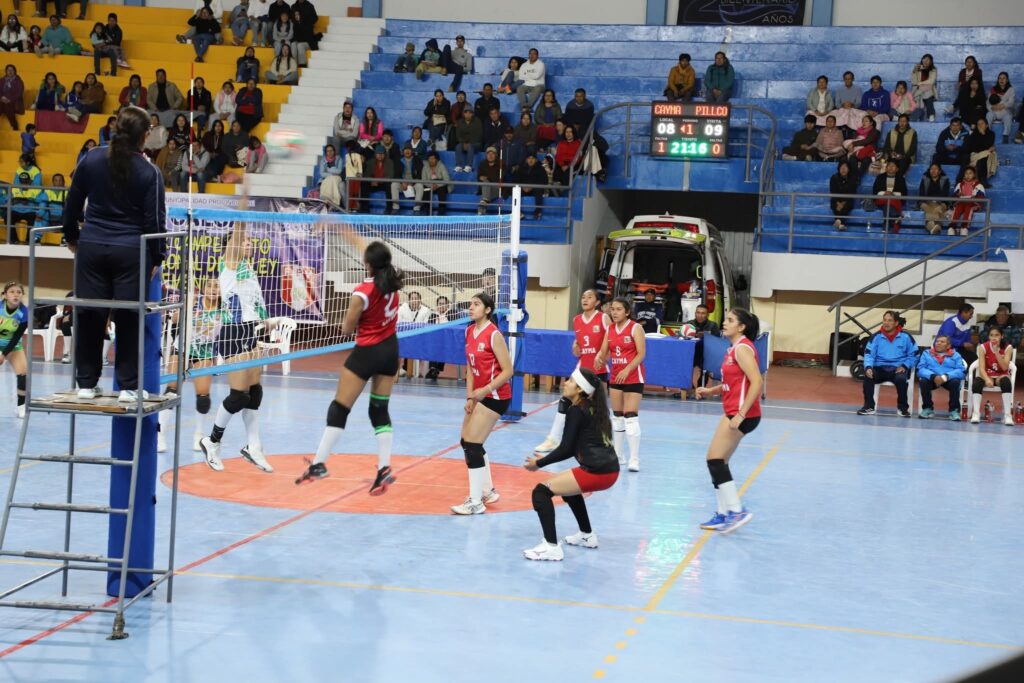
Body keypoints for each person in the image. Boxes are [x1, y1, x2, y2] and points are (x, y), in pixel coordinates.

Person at [60, 106, 166, 404]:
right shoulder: (150, 172)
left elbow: (71, 204)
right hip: (131, 253)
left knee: (89, 313)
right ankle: (129, 388)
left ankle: (85, 383)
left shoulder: (91, 158)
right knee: (129, 317)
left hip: (91, 248)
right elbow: (154, 223)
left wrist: (71, 238)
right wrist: (156, 259)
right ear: (144, 135)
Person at [296, 232, 404, 493]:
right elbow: (367, 249)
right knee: (378, 410)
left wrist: (353, 310)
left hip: (367, 352)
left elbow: (346, 328)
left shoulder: (362, 292)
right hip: (390, 350)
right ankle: (384, 467)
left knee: (339, 408)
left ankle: (319, 463)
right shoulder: (393, 281)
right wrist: (341, 228)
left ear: (367, 263)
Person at [198, 188, 274, 473]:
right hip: (232, 332)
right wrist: (244, 198)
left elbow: (254, 304)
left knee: (255, 391)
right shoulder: (230, 265)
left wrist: (267, 322)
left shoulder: (249, 270)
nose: (249, 244)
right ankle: (212, 441)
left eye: (250, 242)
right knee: (239, 394)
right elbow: (239, 227)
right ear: (234, 243)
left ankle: (253, 446)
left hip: (251, 331)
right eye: (245, 241)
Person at [522, 367, 618, 561]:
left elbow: (566, 448)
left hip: (597, 472)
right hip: (609, 470)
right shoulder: (593, 407)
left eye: (571, 381)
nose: (565, 383)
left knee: (540, 492)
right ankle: (587, 535)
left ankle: (551, 547)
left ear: (581, 389)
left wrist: (538, 463)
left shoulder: (577, 410)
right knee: (569, 489)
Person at [693, 308, 762, 534]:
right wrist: (711, 390)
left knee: (715, 460)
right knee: (717, 461)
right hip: (732, 410)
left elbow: (756, 382)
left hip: (743, 415)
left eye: (730, 320)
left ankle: (736, 510)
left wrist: (741, 413)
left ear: (741, 327)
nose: (725, 323)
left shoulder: (742, 348)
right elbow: (732, 384)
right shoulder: (733, 348)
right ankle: (723, 514)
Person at [449, 291, 512, 515]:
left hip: (496, 396)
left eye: (476, 304)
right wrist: (470, 397)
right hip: (478, 395)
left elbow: (508, 371)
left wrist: (484, 391)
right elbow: (470, 370)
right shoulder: (468, 332)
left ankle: (476, 502)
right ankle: (487, 490)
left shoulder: (494, 334)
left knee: (473, 444)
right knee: (466, 442)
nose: (471, 307)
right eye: (470, 304)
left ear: (487, 310)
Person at [535, 288, 610, 454]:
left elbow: (611, 339)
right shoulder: (577, 320)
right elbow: (578, 349)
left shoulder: (603, 318)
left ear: (597, 302)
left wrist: (603, 355)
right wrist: (575, 347)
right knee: (565, 401)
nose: (585, 299)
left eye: (590, 297)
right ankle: (553, 439)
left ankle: (602, 440)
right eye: (583, 297)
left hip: (599, 369)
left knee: (598, 407)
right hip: (581, 368)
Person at [160, 277, 230, 451]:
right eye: (210, 286)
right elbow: (174, 320)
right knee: (171, 392)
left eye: (217, 287)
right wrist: (187, 306)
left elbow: (235, 329)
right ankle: (159, 434)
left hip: (204, 354)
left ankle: (198, 435)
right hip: (182, 349)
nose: (213, 289)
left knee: (203, 399)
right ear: (204, 289)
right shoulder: (194, 301)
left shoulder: (225, 310)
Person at [594, 297, 646, 472]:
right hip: (616, 376)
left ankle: (634, 459)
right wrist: (599, 358)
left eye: (618, 309)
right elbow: (604, 352)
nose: (614, 312)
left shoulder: (635, 328)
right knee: (617, 418)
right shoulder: (610, 329)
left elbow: (641, 354)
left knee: (630, 417)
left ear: (627, 312)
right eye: (612, 309)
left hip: (633, 376)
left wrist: (627, 369)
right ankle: (618, 455)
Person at [857, 310, 918, 417]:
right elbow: (869, 354)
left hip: (898, 369)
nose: (886, 323)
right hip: (879, 368)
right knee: (868, 377)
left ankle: (902, 408)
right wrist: (868, 367)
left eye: (890, 320)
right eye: (884, 320)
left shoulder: (906, 337)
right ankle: (869, 406)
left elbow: (915, 354)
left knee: (901, 379)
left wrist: (905, 365)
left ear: (896, 323)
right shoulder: (876, 337)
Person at [970, 326, 1015, 425]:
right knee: (977, 382)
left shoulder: (1008, 347)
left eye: (997, 335)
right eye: (991, 335)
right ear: (988, 337)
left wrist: (996, 352)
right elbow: (981, 367)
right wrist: (986, 379)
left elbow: (1004, 367)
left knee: (1006, 382)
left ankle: (1008, 415)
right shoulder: (983, 347)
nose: (994, 338)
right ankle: (976, 413)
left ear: (1002, 336)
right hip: (988, 375)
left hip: (1001, 375)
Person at [917, 335, 965, 420]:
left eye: (942, 342)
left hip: (948, 379)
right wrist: (932, 376)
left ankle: (954, 410)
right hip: (933, 378)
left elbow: (961, 370)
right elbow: (920, 369)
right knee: (923, 381)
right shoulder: (927, 353)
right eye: (937, 341)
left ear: (948, 346)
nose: (938, 343)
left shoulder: (955, 355)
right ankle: (928, 408)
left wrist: (946, 376)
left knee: (955, 382)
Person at [0, 281, 28, 418]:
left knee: (23, 373)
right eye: (12, 292)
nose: (16, 295)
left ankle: (21, 407)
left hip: (13, 346)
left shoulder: (24, 312)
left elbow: (17, 336)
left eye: (19, 292)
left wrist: (4, 354)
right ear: (5, 295)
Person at [686, 303, 720, 394]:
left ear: (707, 315)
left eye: (703, 313)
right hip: (691, 352)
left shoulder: (713, 326)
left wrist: (706, 336)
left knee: (705, 366)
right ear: (695, 313)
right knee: (683, 363)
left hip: (706, 353)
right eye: (698, 313)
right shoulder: (689, 324)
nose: (700, 315)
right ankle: (689, 386)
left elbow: (717, 342)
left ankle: (700, 388)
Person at [871, 160, 907, 233]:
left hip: (895, 200)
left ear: (897, 169)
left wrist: (892, 194)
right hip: (881, 199)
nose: (890, 167)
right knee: (887, 201)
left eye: (893, 166)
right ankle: (896, 216)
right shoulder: (880, 177)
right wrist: (885, 193)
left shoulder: (901, 179)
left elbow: (904, 194)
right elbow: (875, 192)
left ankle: (886, 224)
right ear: (886, 168)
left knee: (887, 204)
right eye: (889, 166)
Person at [950, 166, 985, 236]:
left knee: (969, 207)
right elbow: (954, 196)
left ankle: (964, 227)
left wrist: (974, 198)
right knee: (958, 207)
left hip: (972, 204)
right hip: (961, 202)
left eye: (970, 173)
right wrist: (958, 194)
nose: (968, 175)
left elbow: (982, 197)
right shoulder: (960, 185)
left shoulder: (979, 185)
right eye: (966, 173)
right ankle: (952, 227)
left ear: (974, 175)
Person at [424, 295, 452, 381]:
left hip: (448, 340)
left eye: (444, 304)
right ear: (437, 305)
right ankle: (434, 369)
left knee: (442, 345)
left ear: (447, 305)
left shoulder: (452, 314)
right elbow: (428, 327)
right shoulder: (432, 315)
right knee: (434, 344)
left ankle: (434, 369)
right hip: (434, 340)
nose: (441, 306)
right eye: (440, 304)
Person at [965, 115, 996, 186]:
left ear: (987, 125)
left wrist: (983, 134)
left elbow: (988, 144)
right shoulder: (973, 135)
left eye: (982, 123)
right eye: (978, 124)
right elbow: (974, 148)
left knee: (983, 159)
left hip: (985, 155)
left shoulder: (991, 134)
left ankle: (982, 180)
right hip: (975, 154)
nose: (980, 125)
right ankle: (982, 180)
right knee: (984, 155)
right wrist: (986, 149)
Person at [919, 163, 951, 235]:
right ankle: (937, 226)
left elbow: (945, 195)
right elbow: (921, 194)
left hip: (941, 202)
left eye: (935, 169)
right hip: (927, 202)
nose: (933, 170)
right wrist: (928, 202)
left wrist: (937, 203)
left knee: (938, 209)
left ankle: (931, 227)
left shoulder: (945, 180)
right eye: (931, 169)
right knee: (927, 208)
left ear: (939, 171)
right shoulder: (924, 179)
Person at [392, 145, 423, 213]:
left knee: (420, 185)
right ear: (403, 152)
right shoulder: (398, 160)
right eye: (405, 150)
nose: (407, 151)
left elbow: (419, 175)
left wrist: (411, 183)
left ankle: (417, 208)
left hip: (413, 183)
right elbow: (396, 175)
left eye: (409, 149)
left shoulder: (417, 160)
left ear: (412, 151)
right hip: (402, 184)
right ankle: (395, 207)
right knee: (394, 184)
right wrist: (402, 182)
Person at [987, 72, 1015, 144]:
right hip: (995, 111)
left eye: (1004, 78)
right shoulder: (993, 89)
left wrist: (1002, 106)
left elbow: (1011, 102)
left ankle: (1005, 136)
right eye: (1000, 78)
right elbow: (988, 102)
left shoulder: (1011, 89)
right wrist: (992, 108)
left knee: (1008, 117)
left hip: (1005, 111)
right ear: (998, 79)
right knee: (989, 115)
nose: (1001, 80)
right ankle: (987, 134)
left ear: (1007, 80)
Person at [516, 48, 545, 112]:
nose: (532, 55)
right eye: (530, 53)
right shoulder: (524, 65)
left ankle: (528, 106)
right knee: (519, 88)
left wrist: (526, 74)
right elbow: (521, 77)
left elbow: (537, 76)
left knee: (538, 88)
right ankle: (524, 106)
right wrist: (532, 75)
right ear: (528, 55)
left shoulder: (541, 64)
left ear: (537, 55)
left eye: (534, 54)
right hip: (527, 85)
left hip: (539, 85)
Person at [421, 150, 450, 215]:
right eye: (429, 159)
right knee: (426, 191)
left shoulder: (442, 166)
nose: (431, 160)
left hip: (440, 185)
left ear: (436, 159)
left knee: (442, 191)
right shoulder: (425, 167)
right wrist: (431, 185)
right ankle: (427, 212)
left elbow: (447, 179)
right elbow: (423, 180)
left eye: (432, 159)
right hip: (429, 185)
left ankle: (441, 212)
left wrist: (437, 185)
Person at [911, 54, 938, 122]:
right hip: (918, 90)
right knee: (922, 96)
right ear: (922, 60)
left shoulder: (933, 70)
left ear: (931, 61)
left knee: (928, 94)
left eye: (928, 59)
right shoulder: (918, 68)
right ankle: (930, 114)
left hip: (928, 89)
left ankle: (930, 115)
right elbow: (914, 82)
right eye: (924, 59)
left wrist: (920, 83)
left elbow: (931, 81)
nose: (925, 61)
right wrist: (914, 72)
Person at [0, 63, 24, 130]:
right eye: (8, 70)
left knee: (8, 106)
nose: (10, 72)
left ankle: (14, 125)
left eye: (12, 70)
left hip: (14, 101)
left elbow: (19, 93)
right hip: (2, 100)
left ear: (15, 71)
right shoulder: (1, 80)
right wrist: (1, 98)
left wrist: (9, 99)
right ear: (6, 71)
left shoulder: (19, 81)